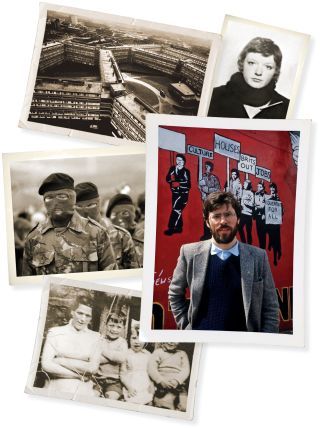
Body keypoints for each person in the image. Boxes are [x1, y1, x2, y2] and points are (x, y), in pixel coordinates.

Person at [168, 191, 279, 332]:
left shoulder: (258, 257)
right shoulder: (189, 253)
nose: (223, 221)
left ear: (238, 219)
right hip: (202, 345)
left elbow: (271, 308)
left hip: (244, 346)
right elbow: (174, 294)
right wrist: (187, 329)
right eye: (216, 216)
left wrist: (262, 343)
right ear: (207, 222)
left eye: (228, 214)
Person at [22, 173, 117, 275]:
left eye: (62, 196)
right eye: (49, 198)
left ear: (73, 199)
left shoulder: (96, 233)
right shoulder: (34, 238)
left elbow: (111, 277)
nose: (55, 203)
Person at [208, 37, 289, 119]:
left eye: (268, 67)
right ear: (242, 63)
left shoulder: (286, 107)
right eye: (252, 63)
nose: (258, 72)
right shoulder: (214, 96)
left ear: (275, 71)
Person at [41, 296, 102, 395]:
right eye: (80, 313)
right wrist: (78, 376)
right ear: (72, 312)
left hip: (83, 388)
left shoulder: (96, 337)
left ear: (91, 318)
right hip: (56, 385)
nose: (82, 319)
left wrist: (60, 361)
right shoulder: (55, 332)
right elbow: (46, 365)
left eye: (87, 316)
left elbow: (92, 368)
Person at [75, 182, 139, 270]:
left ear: (99, 203)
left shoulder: (121, 236)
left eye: (91, 205)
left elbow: (133, 274)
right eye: (78, 207)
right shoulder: (67, 238)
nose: (85, 212)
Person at [148, 343, 190, 411]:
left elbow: (185, 370)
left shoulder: (182, 354)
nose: (171, 342)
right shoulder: (158, 352)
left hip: (178, 385)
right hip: (162, 386)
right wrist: (160, 380)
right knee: (162, 406)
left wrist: (177, 380)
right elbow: (151, 368)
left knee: (184, 407)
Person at [120, 324, 154, 405]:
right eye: (134, 338)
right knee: (131, 401)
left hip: (145, 383)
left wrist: (152, 384)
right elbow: (122, 374)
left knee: (148, 401)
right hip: (131, 384)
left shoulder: (148, 354)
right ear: (129, 339)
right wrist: (129, 388)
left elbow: (150, 372)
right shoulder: (126, 353)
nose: (137, 342)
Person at [97, 313, 128, 400]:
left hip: (114, 382)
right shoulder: (100, 339)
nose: (114, 329)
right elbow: (96, 358)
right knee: (93, 395)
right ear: (106, 325)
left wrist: (103, 351)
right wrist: (113, 357)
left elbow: (121, 358)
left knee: (110, 398)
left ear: (123, 328)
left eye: (118, 327)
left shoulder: (122, 342)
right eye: (111, 325)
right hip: (97, 379)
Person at [164, 154, 191, 236]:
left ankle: (171, 228)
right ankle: (179, 227)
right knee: (177, 210)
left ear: (183, 161)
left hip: (183, 194)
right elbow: (167, 178)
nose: (178, 162)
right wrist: (171, 179)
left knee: (176, 209)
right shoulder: (173, 169)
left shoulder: (186, 171)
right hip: (174, 193)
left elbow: (188, 184)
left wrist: (179, 183)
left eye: (180, 160)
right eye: (177, 160)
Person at [199, 160, 221, 241]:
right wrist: (204, 195)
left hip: (213, 202)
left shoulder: (214, 178)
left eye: (207, 167)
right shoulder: (202, 177)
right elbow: (201, 188)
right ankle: (206, 235)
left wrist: (208, 189)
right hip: (205, 201)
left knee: (213, 217)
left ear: (211, 168)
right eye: (205, 166)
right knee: (205, 217)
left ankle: (213, 234)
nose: (205, 168)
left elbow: (218, 189)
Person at [266, 182, 283, 266]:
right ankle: (270, 243)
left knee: (276, 242)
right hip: (270, 224)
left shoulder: (278, 199)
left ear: (275, 189)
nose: (272, 190)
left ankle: (275, 257)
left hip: (276, 225)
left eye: (273, 188)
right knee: (271, 238)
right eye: (271, 188)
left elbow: (281, 211)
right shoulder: (268, 198)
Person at [238, 179, 254, 244]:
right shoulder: (242, 191)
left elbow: (252, 204)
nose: (244, 185)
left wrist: (245, 202)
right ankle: (243, 242)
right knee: (239, 227)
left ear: (248, 185)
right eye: (244, 184)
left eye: (245, 184)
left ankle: (249, 244)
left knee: (248, 231)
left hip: (248, 215)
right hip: (243, 213)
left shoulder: (251, 193)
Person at [254, 180, 267, 249]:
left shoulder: (265, 195)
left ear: (263, 188)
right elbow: (256, 203)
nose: (258, 188)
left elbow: (263, 206)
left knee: (263, 234)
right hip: (257, 216)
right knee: (259, 233)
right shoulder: (255, 194)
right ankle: (261, 248)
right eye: (258, 186)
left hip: (263, 217)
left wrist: (256, 205)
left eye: (260, 187)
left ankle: (263, 248)